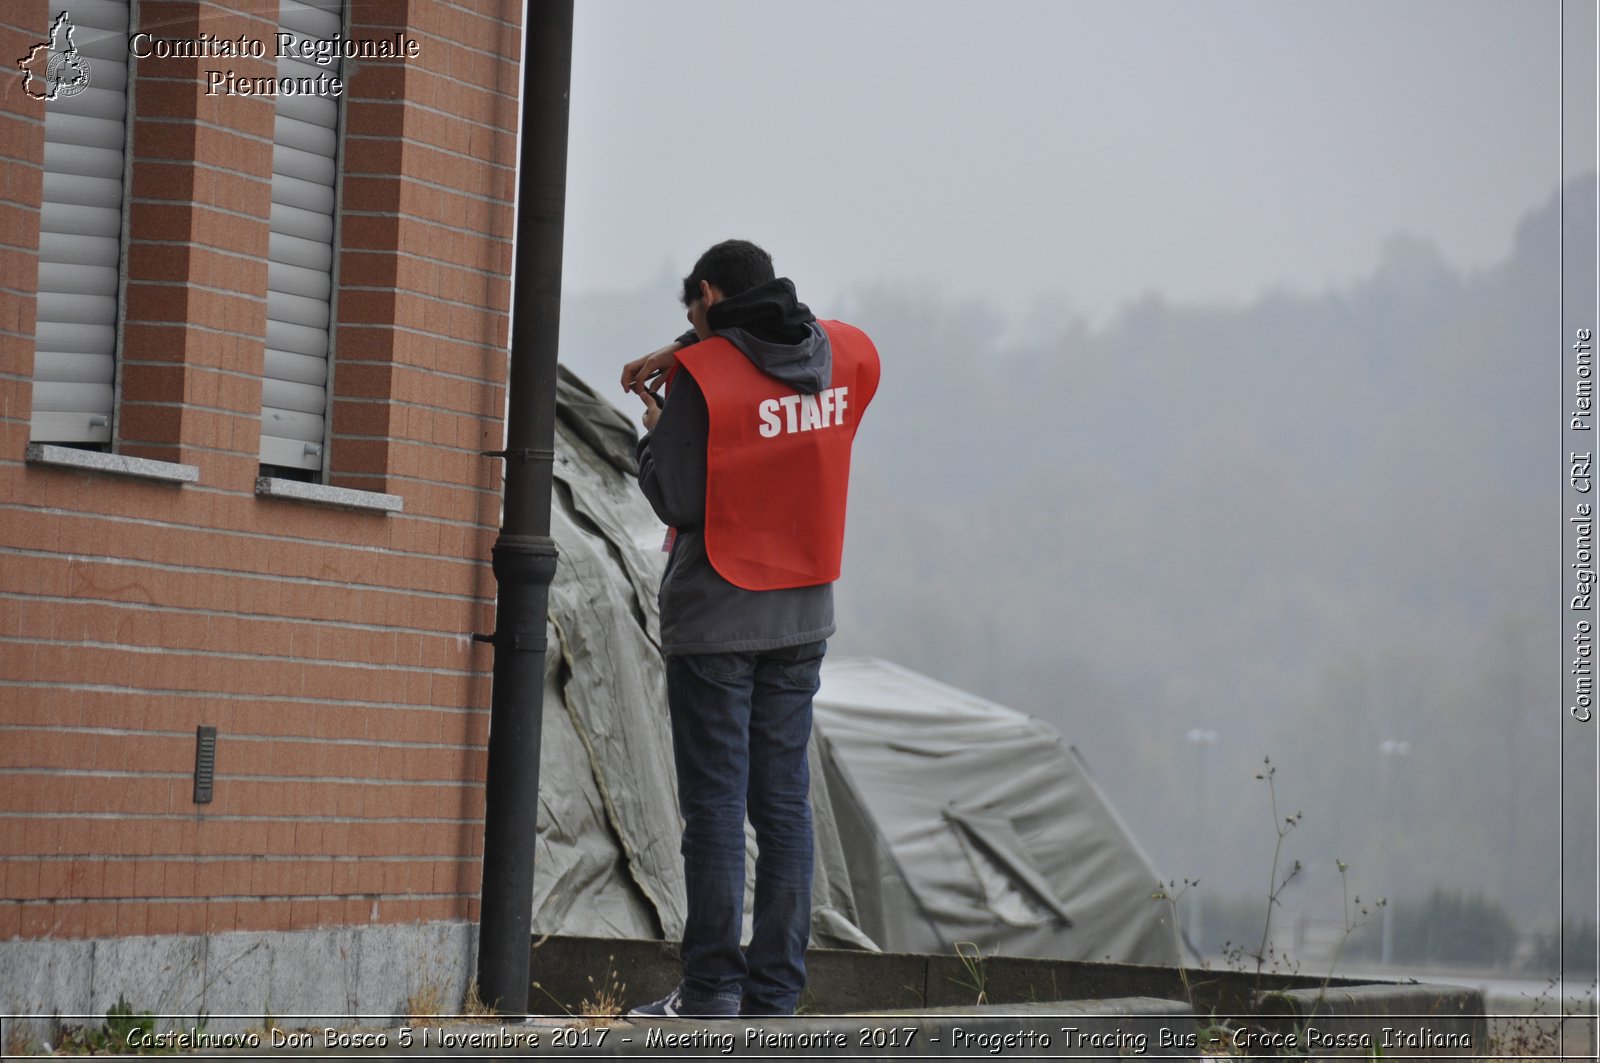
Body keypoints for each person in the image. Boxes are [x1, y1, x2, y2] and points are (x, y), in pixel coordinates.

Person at [621, 240, 879, 1018]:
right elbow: (782, 347)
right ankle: (775, 995)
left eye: (692, 313)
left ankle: (709, 992)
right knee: (785, 806)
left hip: (719, 620)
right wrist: (692, 343)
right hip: (804, 612)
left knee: (717, 810)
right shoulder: (847, 353)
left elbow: (680, 500)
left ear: (705, 293)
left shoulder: (702, 383)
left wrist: (656, 432)